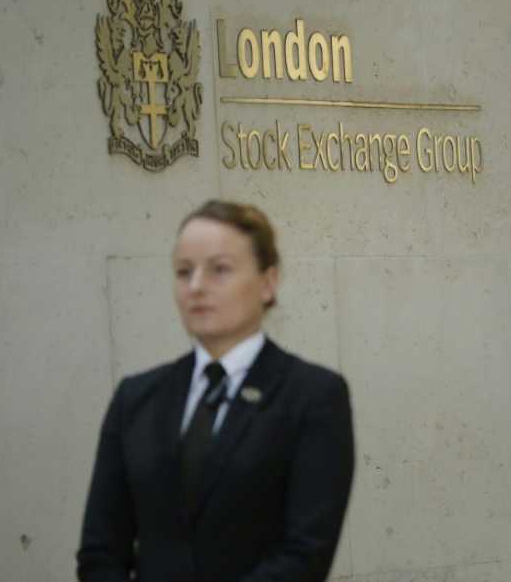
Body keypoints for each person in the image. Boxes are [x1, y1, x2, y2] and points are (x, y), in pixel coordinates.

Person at [77, 200, 355, 582]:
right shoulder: (136, 398)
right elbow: (100, 550)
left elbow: (304, 555)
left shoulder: (312, 396)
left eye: (219, 270)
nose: (196, 287)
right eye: (183, 271)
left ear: (268, 282)